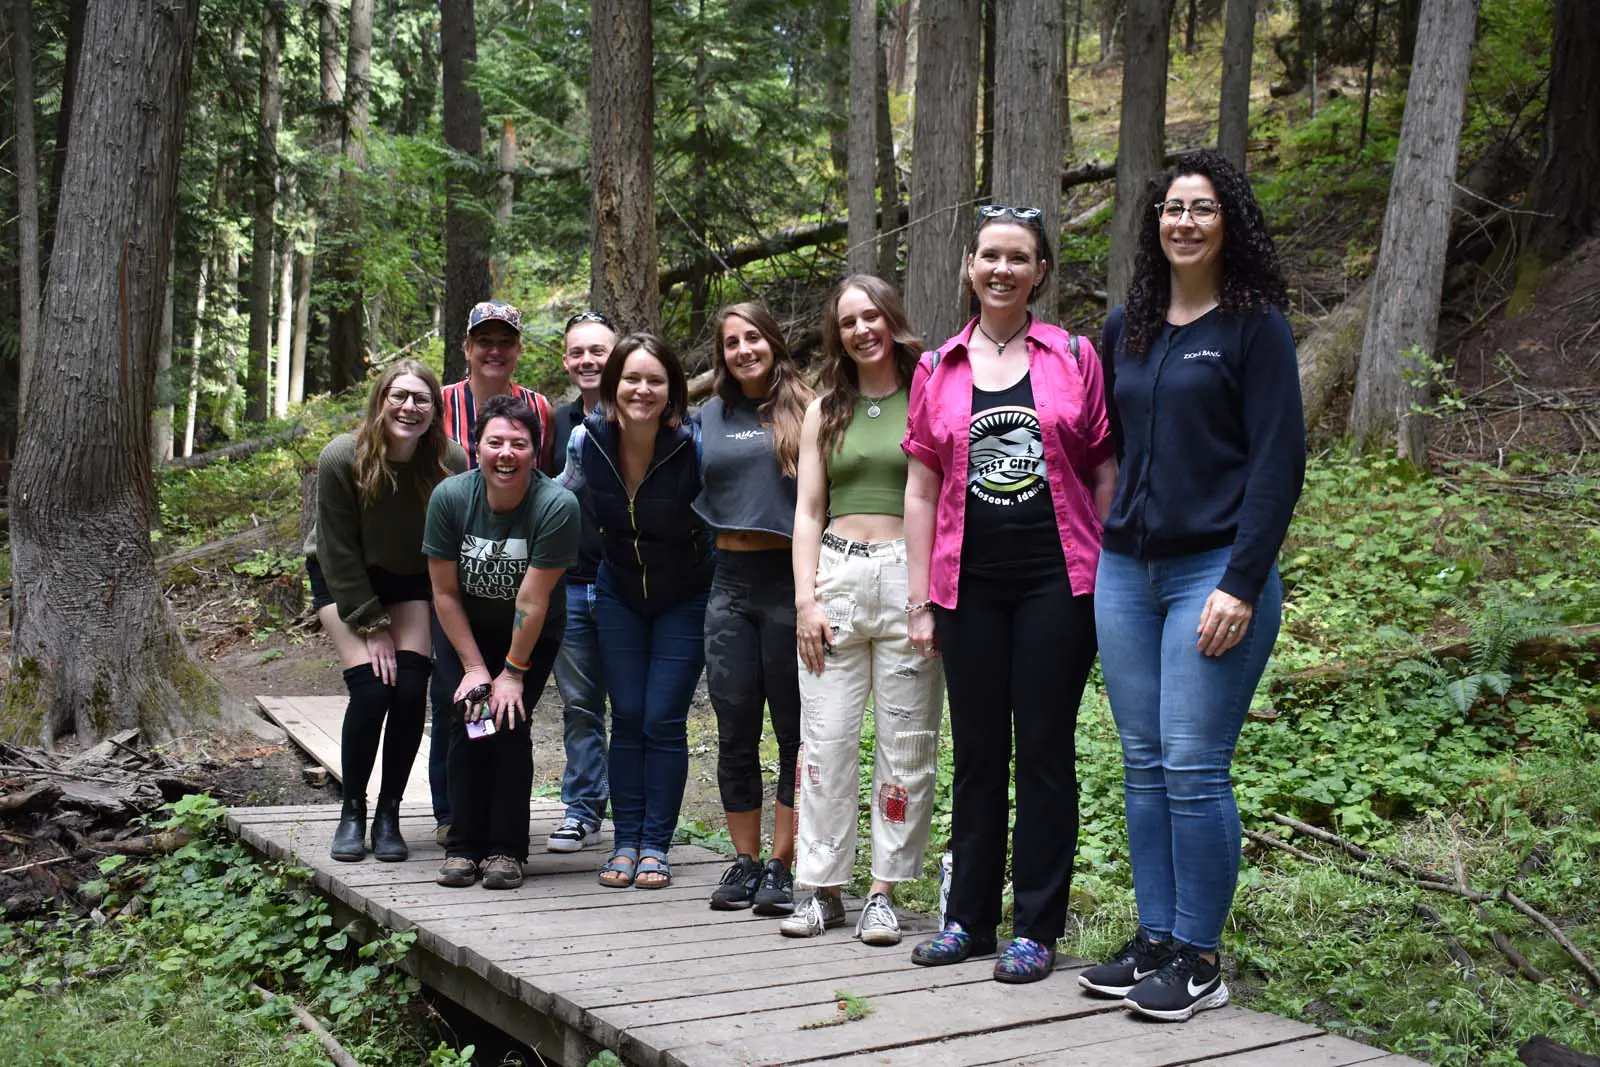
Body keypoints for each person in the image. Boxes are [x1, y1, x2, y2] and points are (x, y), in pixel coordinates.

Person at [1077, 150, 1304, 1021]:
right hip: (1128, 573)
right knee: (1141, 763)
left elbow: (1280, 462)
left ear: (1228, 222)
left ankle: (1201, 958)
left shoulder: (1256, 326)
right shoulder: (1126, 326)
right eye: (1172, 207)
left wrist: (1243, 580)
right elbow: (1101, 442)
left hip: (1216, 570)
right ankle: (1158, 938)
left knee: (1195, 766)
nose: (1184, 222)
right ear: (1155, 222)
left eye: (1202, 208)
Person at [902, 205, 1118, 984]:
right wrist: (922, 597)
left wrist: (1109, 566)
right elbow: (921, 488)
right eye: (989, 255)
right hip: (968, 587)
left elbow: (1101, 466)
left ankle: (1037, 925)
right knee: (979, 752)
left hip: (1058, 582)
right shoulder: (938, 367)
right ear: (969, 266)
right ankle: (968, 917)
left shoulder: (1075, 356)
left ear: (1039, 272)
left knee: (1047, 753)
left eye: (1018, 257)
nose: (1002, 269)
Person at [782, 275, 944, 946]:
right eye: (848, 321)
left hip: (910, 575)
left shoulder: (929, 392)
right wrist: (805, 600)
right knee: (824, 742)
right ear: (837, 334)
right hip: (840, 574)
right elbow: (809, 511)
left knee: (906, 743)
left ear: (892, 318)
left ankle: (882, 888)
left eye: (872, 315)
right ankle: (822, 887)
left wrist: (929, 596)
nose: (861, 330)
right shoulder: (826, 408)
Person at [559, 334, 712, 890]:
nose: (641, 390)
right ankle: (624, 843)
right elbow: (557, 499)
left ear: (671, 390)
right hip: (617, 592)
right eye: (631, 379)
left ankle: (656, 845)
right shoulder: (586, 441)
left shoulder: (694, 445)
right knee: (625, 716)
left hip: (685, 596)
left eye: (654, 380)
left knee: (661, 719)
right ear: (612, 384)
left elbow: (729, 507)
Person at [306, 359, 467, 863]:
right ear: (380, 401)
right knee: (374, 690)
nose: (409, 407)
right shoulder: (341, 458)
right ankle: (352, 809)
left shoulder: (451, 461)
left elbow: (451, 545)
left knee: (411, 688)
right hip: (343, 576)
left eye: (421, 399)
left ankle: (389, 813)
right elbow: (336, 550)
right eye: (399, 396)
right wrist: (372, 626)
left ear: (434, 410)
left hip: (410, 581)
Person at [424, 394, 579, 890]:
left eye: (519, 443)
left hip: (530, 632)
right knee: (469, 718)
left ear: (535, 451)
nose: (506, 453)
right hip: (463, 627)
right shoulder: (450, 498)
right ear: (476, 447)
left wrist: (511, 673)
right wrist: (474, 670)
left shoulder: (556, 505)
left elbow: (532, 603)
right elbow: (444, 593)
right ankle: (464, 846)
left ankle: (507, 850)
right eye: (496, 442)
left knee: (508, 723)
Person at [694, 302, 814, 914]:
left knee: (794, 731)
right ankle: (742, 862)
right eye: (732, 342)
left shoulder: (808, 407)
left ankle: (782, 864)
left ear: (773, 341)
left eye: (754, 338)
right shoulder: (705, 417)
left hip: (791, 582)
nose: (744, 350)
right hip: (730, 584)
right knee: (735, 727)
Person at [428, 300, 558, 847]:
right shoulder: (440, 404)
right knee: (455, 701)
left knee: (505, 713)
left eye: (505, 341)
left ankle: (502, 837)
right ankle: (453, 817)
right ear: (467, 348)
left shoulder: (539, 409)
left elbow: (533, 478)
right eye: (485, 340)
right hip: (448, 563)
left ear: (517, 349)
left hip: (519, 571)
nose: (495, 350)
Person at [544, 310, 618, 853]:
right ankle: (582, 808)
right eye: (578, 352)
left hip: (630, 586)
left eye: (599, 350)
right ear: (567, 360)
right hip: (569, 584)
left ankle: (637, 816)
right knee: (581, 705)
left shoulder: (639, 413)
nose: (588, 360)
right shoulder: (555, 423)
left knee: (636, 707)